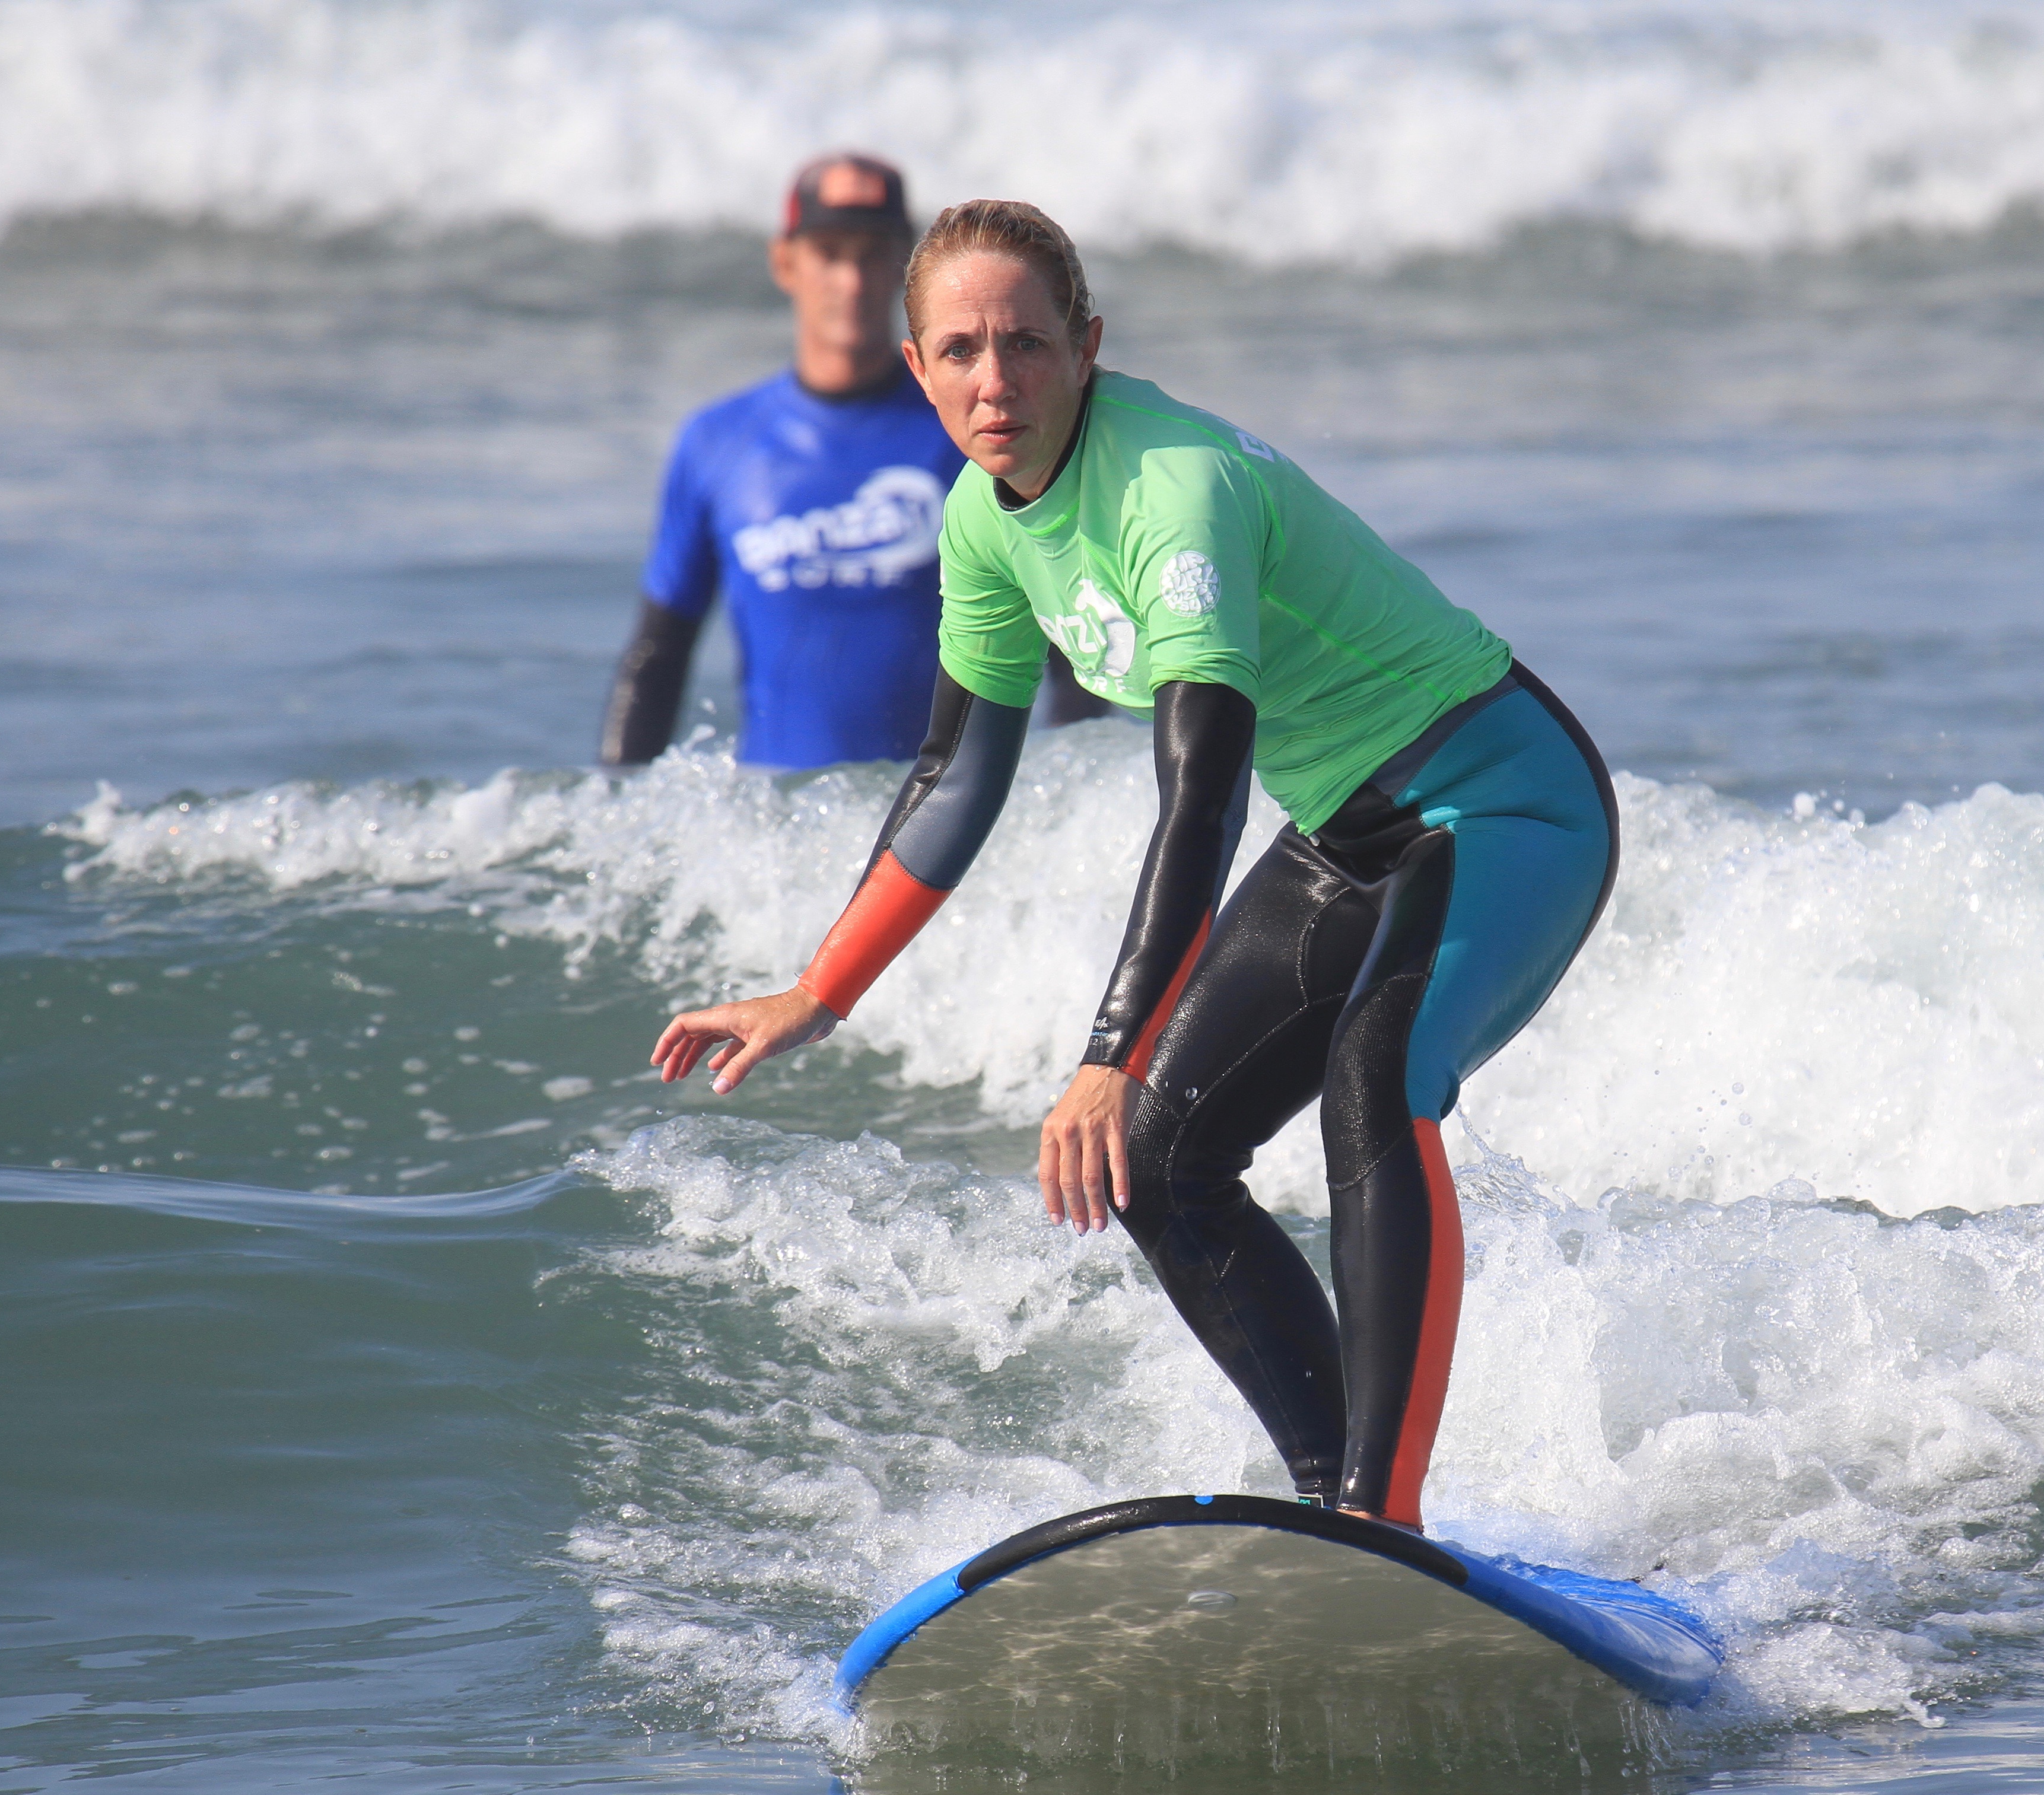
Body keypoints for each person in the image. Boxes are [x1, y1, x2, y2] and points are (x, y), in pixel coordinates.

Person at [647, 201, 1617, 1535]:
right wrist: (817, 993)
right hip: (1350, 828)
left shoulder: (1175, 488)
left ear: (1087, 345)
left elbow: (1200, 794)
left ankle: (1381, 1527)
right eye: (960, 351)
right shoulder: (983, 524)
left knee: (1372, 1087)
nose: (996, 382)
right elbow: (954, 778)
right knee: (1161, 1161)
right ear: (914, 365)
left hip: (1501, 803)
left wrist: (1110, 1046)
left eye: (1027, 345)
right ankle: (1337, 1501)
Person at [599, 155, 1104, 770]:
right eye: (830, 252)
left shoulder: (976, 434)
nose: (853, 280)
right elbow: (658, 655)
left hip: (931, 824)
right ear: (786, 263)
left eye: (873, 253)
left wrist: (1058, 797)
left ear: (904, 266)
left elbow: (1071, 649)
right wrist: (617, 810)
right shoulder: (716, 444)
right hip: (773, 829)